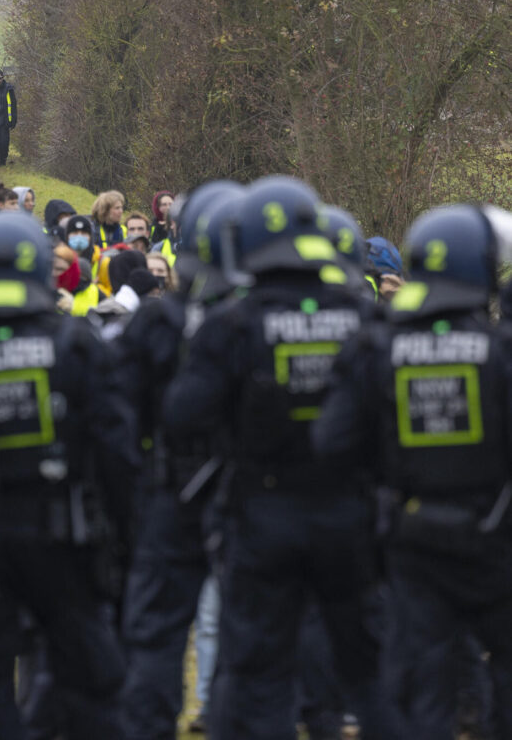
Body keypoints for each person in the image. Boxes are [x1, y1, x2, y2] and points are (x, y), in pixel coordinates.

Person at [162, 176, 390, 739]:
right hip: (347, 515)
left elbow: (182, 416)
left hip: (262, 515)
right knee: (370, 669)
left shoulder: (234, 322)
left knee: (261, 671)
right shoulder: (362, 316)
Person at [314, 204, 512, 738]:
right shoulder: (499, 351)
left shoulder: (378, 348)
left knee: (422, 688)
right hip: (496, 540)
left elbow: (331, 445)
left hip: (411, 542)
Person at [0, 214, 137, 739]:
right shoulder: (75, 342)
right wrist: (126, 537)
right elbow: (116, 451)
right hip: (65, 540)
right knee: (91, 680)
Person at [115, 181, 244, 739]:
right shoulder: (252, 327)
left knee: (156, 635)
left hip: (168, 494)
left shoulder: (154, 323)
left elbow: (116, 418)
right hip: (243, 498)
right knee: (247, 630)